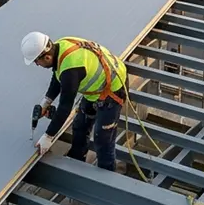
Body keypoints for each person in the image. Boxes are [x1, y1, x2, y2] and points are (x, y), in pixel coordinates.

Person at [22, 31, 126, 171]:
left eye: (36, 61)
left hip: (112, 91)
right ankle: (77, 162)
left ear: (47, 57)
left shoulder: (71, 69)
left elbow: (65, 107)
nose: (36, 64)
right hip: (96, 90)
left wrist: (48, 136)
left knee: (102, 139)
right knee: (80, 126)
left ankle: (106, 174)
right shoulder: (60, 46)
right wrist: (46, 102)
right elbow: (57, 75)